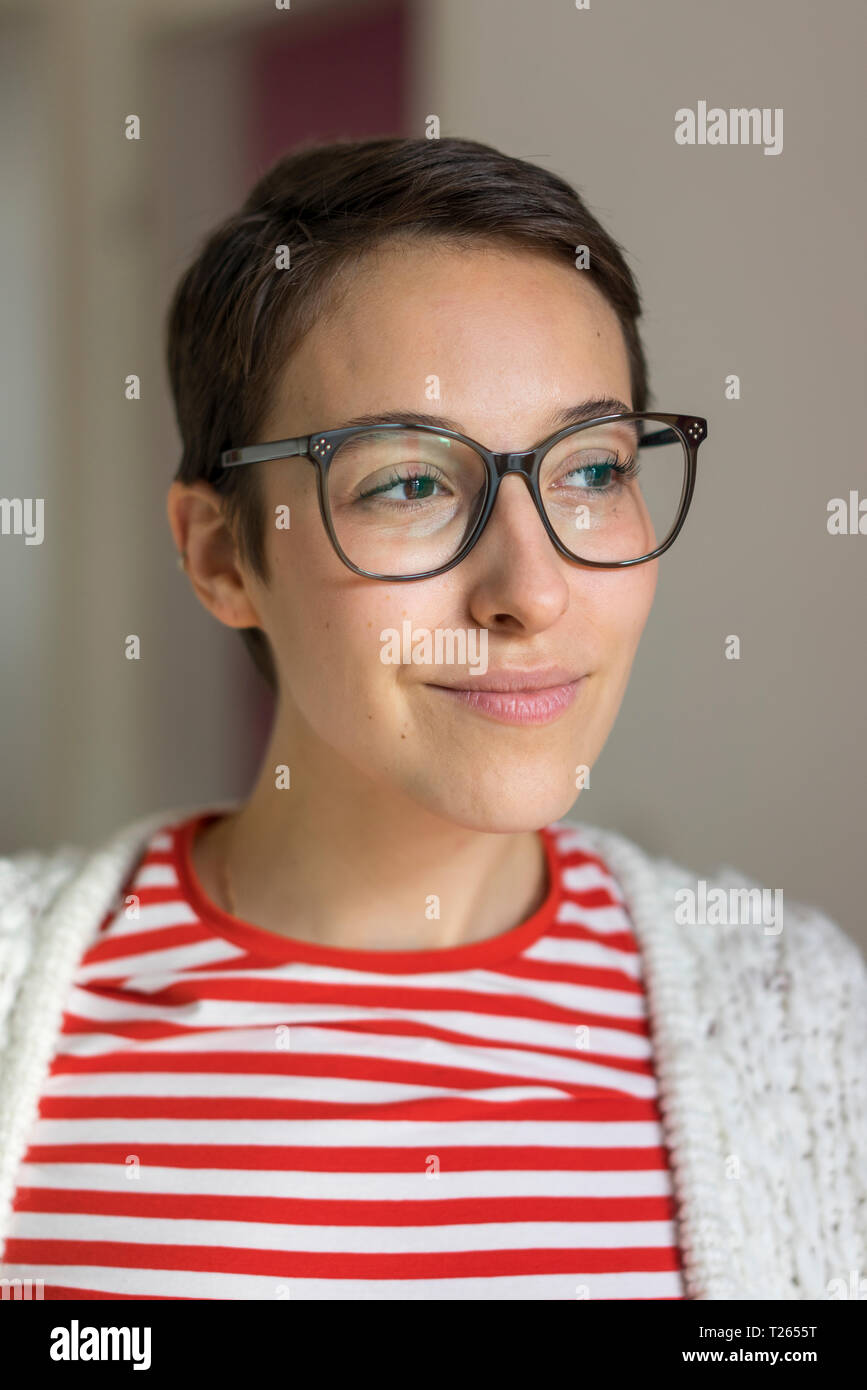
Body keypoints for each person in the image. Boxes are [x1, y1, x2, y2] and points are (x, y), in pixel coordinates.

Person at [0, 137, 863, 1301]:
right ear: (221, 555)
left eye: (592, 471)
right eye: (409, 483)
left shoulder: (805, 1025)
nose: (534, 589)